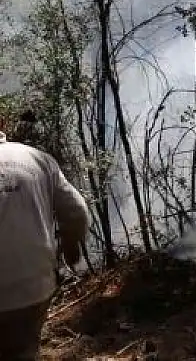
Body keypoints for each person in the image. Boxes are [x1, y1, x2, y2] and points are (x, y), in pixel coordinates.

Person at [0, 127, 90, 360]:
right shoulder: (38, 160)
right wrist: (70, 250)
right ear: (1, 124)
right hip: (34, 288)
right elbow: (78, 211)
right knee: (24, 351)